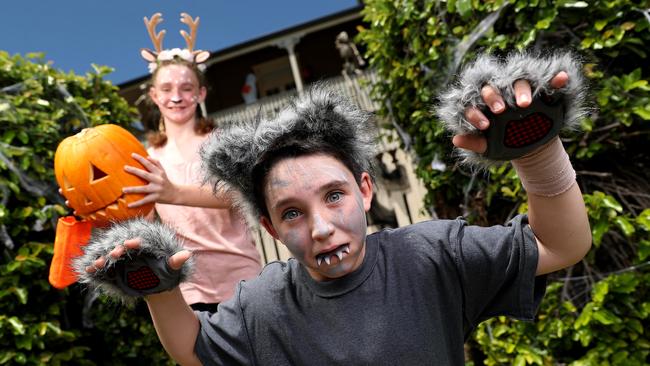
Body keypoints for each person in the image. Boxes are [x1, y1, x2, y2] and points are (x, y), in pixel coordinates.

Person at [78, 51, 592, 365]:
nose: (322, 227)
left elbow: (560, 245)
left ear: (365, 190)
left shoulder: (432, 254)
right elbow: (194, 350)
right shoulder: (262, 304)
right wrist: (160, 290)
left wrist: (537, 153)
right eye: (293, 212)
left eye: (334, 195)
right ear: (270, 227)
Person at [120, 13, 262, 312]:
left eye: (186, 88)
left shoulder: (221, 141)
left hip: (241, 276)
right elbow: (143, 223)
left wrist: (174, 193)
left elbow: (240, 192)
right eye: (167, 89)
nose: (177, 96)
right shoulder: (147, 158)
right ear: (154, 96)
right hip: (188, 286)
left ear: (200, 93)